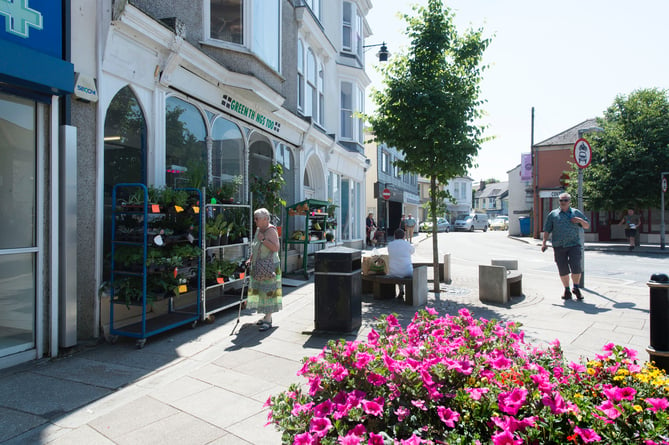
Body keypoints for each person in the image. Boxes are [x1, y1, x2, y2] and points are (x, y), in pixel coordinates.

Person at [541, 192, 590, 301]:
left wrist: (580, 220)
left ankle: (576, 287)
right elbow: (547, 229)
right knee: (562, 269)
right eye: (561, 200)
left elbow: (587, 225)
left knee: (576, 267)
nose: (563, 202)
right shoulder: (553, 214)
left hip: (574, 245)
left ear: (569, 201)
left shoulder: (575, 212)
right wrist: (544, 242)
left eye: (565, 200)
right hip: (559, 246)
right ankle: (567, 290)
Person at [246, 208, 282, 331]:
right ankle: (266, 316)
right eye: (255, 218)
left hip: (269, 265)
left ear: (266, 219)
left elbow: (276, 248)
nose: (255, 221)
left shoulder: (271, 230)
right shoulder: (258, 230)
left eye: (257, 218)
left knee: (268, 292)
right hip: (259, 264)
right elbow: (256, 247)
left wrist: (263, 239)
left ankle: (268, 318)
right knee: (261, 291)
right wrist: (251, 259)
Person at [387, 228, 415, 299]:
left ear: (394, 236)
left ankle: (401, 290)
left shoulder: (390, 245)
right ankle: (409, 293)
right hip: (407, 271)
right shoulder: (407, 244)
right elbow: (412, 251)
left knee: (398, 271)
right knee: (405, 269)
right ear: (404, 236)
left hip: (393, 272)